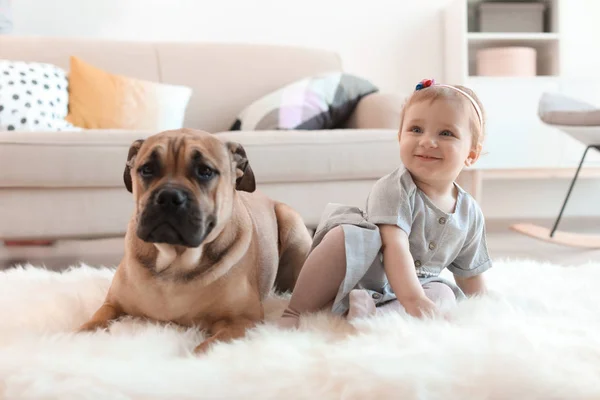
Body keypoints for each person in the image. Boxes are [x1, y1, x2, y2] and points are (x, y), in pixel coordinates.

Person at [278, 78, 492, 327]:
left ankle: (375, 315)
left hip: (415, 286)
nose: (426, 141)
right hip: (361, 273)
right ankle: (295, 311)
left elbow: (470, 275)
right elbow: (395, 245)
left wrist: (484, 311)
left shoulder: (469, 213)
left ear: (471, 154)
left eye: (446, 133)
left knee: (445, 294)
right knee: (343, 238)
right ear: (400, 136)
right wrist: (414, 300)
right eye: (416, 129)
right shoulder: (395, 188)